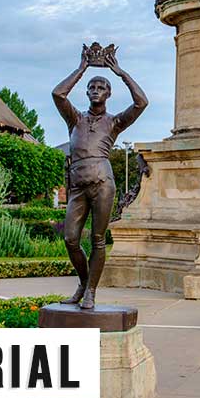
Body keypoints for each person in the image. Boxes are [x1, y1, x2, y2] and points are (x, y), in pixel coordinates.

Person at [52, 47, 148, 309]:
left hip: (103, 184)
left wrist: (120, 73)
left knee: (97, 239)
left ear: (108, 94)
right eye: (92, 87)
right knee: (71, 239)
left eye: (101, 87)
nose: (96, 90)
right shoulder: (75, 119)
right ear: (86, 92)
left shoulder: (114, 122)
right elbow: (58, 94)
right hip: (77, 184)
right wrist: (82, 68)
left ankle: (91, 291)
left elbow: (141, 102)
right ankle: (84, 283)